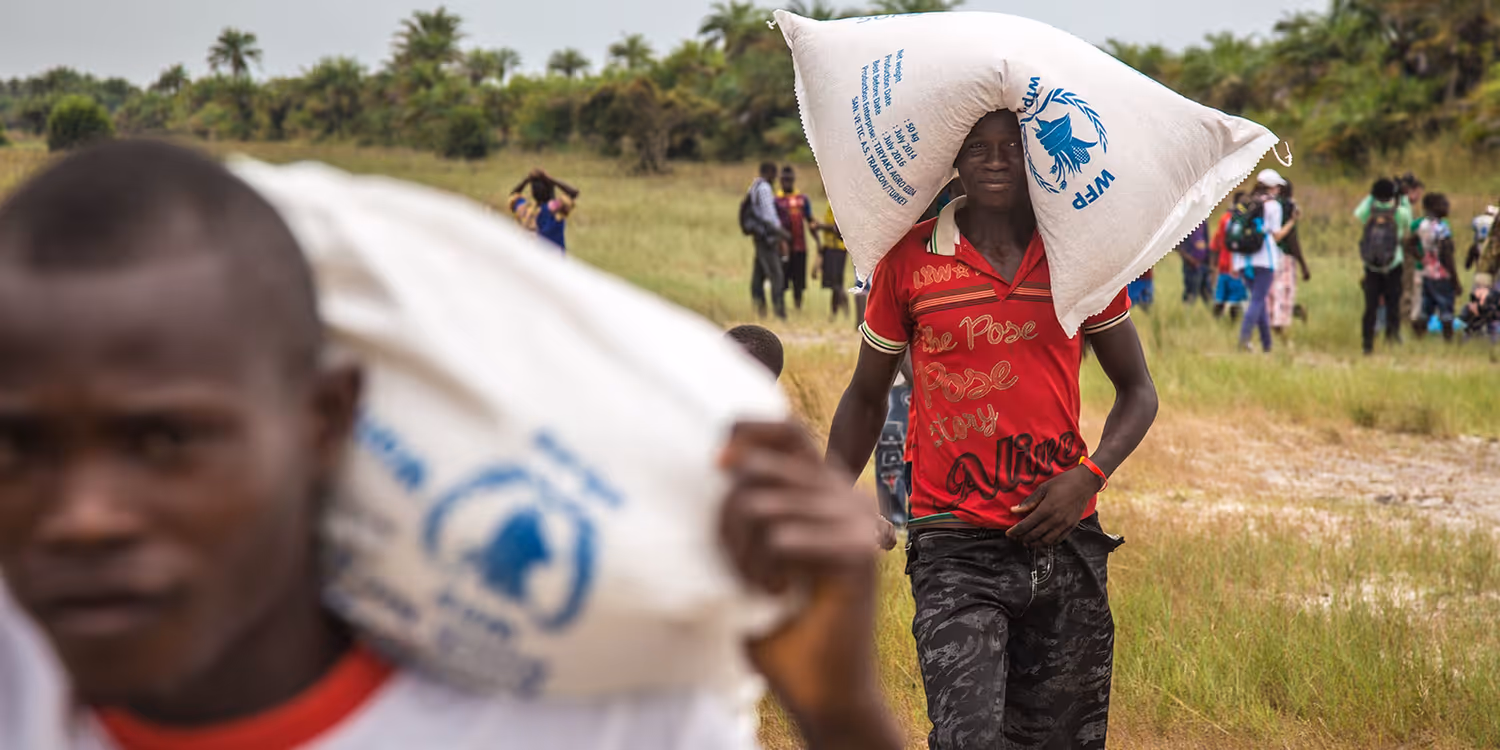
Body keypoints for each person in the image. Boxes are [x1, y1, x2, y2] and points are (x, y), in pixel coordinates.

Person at [0, 141, 903, 750]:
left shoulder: (591, 715)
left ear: (324, 421)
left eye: (164, 439)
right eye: (15, 448)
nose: (83, 518)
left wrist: (844, 716)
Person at [825, 110, 1158, 750]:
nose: (997, 160)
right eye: (978, 148)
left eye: (1013, 147)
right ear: (954, 160)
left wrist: (1087, 478)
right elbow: (868, 396)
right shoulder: (909, 261)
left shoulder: (1078, 256)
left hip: (1065, 542)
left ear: (1038, 159)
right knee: (967, 738)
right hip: (954, 547)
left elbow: (1138, 392)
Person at [1237, 169, 1297, 353]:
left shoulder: (1246, 202)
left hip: (1242, 258)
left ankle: (1266, 344)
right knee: (1257, 300)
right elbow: (1276, 235)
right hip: (1265, 258)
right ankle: (1244, 339)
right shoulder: (1273, 206)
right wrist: (1292, 222)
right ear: (1272, 187)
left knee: (1259, 300)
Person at [1355, 177, 1413, 353]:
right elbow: (1408, 224)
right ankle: (1392, 335)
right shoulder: (1400, 212)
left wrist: (1371, 196)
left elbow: (1358, 213)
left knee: (1370, 305)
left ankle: (1367, 343)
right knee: (1393, 302)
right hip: (1394, 263)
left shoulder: (1369, 211)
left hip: (1371, 265)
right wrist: (1402, 198)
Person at [1413, 192, 1462, 341]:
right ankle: (1448, 341)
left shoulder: (1422, 225)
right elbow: (1447, 256)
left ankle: (1419, 338)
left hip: (1427, 273)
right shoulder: (1441, 228)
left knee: (1426, 308)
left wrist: (1421, 257)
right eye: (1444, 203)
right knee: (1446, 308)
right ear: (1433, 207)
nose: (1448, 206)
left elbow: (1409, 242)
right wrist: (1455, 280)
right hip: (1441, 275)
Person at [746, 162, 790, 320]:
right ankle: (779, 312)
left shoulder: (754, 186)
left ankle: (760, 309)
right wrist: (782, 233)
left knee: (758, 274)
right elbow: (768, 214)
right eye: (774, 173)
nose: (776, 178)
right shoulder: (764, 187)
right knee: (776, 274)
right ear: (769, 172)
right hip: (767, 238)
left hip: (760, 236)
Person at [1268, 180, 1311, 336]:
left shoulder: (1269, 205)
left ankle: (1276, 328)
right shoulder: (1288, 208)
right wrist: (1303, 264)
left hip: (1267, 257)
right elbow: (1292, 239)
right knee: (1283, 293)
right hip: (1284, 256)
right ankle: (1281, 326)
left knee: (1272, 293)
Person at [775, 166, 818, 312]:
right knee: (781, 279)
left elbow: (810, 220)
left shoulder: (802, 199)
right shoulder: (776, 200)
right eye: (784, 179)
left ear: (793, 180)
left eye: (789, 179)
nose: (786, 182)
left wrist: (818, 242)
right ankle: (781, 309)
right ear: (780, 181)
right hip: (782, 248)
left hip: (800, 247)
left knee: (799, 281)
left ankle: (798, 308)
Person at [508, 168, 580, 252]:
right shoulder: (556, 209)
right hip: (555, 258)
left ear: (533, 193)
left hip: (534, 257)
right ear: (550, 190)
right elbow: (574, 193)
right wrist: (552, 180)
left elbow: (513, 195)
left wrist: (527, 180)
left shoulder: (525, 209)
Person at [1212, 193, 1249, 321]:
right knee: (1236, 299)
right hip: (1235, 265)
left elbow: (1216, 243)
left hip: (1223, 263)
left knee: (1220, 297)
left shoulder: (1224, 218)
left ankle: (1216, 323)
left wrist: (1214, 265)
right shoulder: (1241, 220)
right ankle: (1232, 325)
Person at [816, 204, 851, 319]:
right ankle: (835, 312)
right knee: (834, 283)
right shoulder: (831, 201)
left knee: (836, 282)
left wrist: (820, 226)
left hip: (837, 249)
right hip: (830, 247)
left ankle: (843, 310)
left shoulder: (840, 203)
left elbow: (838, 228)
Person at [1178, 221, 1212, 305]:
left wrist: (1209, 262)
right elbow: (1178, 245)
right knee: (1191, 293)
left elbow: (1207, 240)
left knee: (1207, 293)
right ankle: (1186, 315)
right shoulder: (1185, 222)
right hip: (1191, 265)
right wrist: (1189, 259)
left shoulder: (1203, 222)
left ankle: (1212, 316)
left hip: (1203, 263)